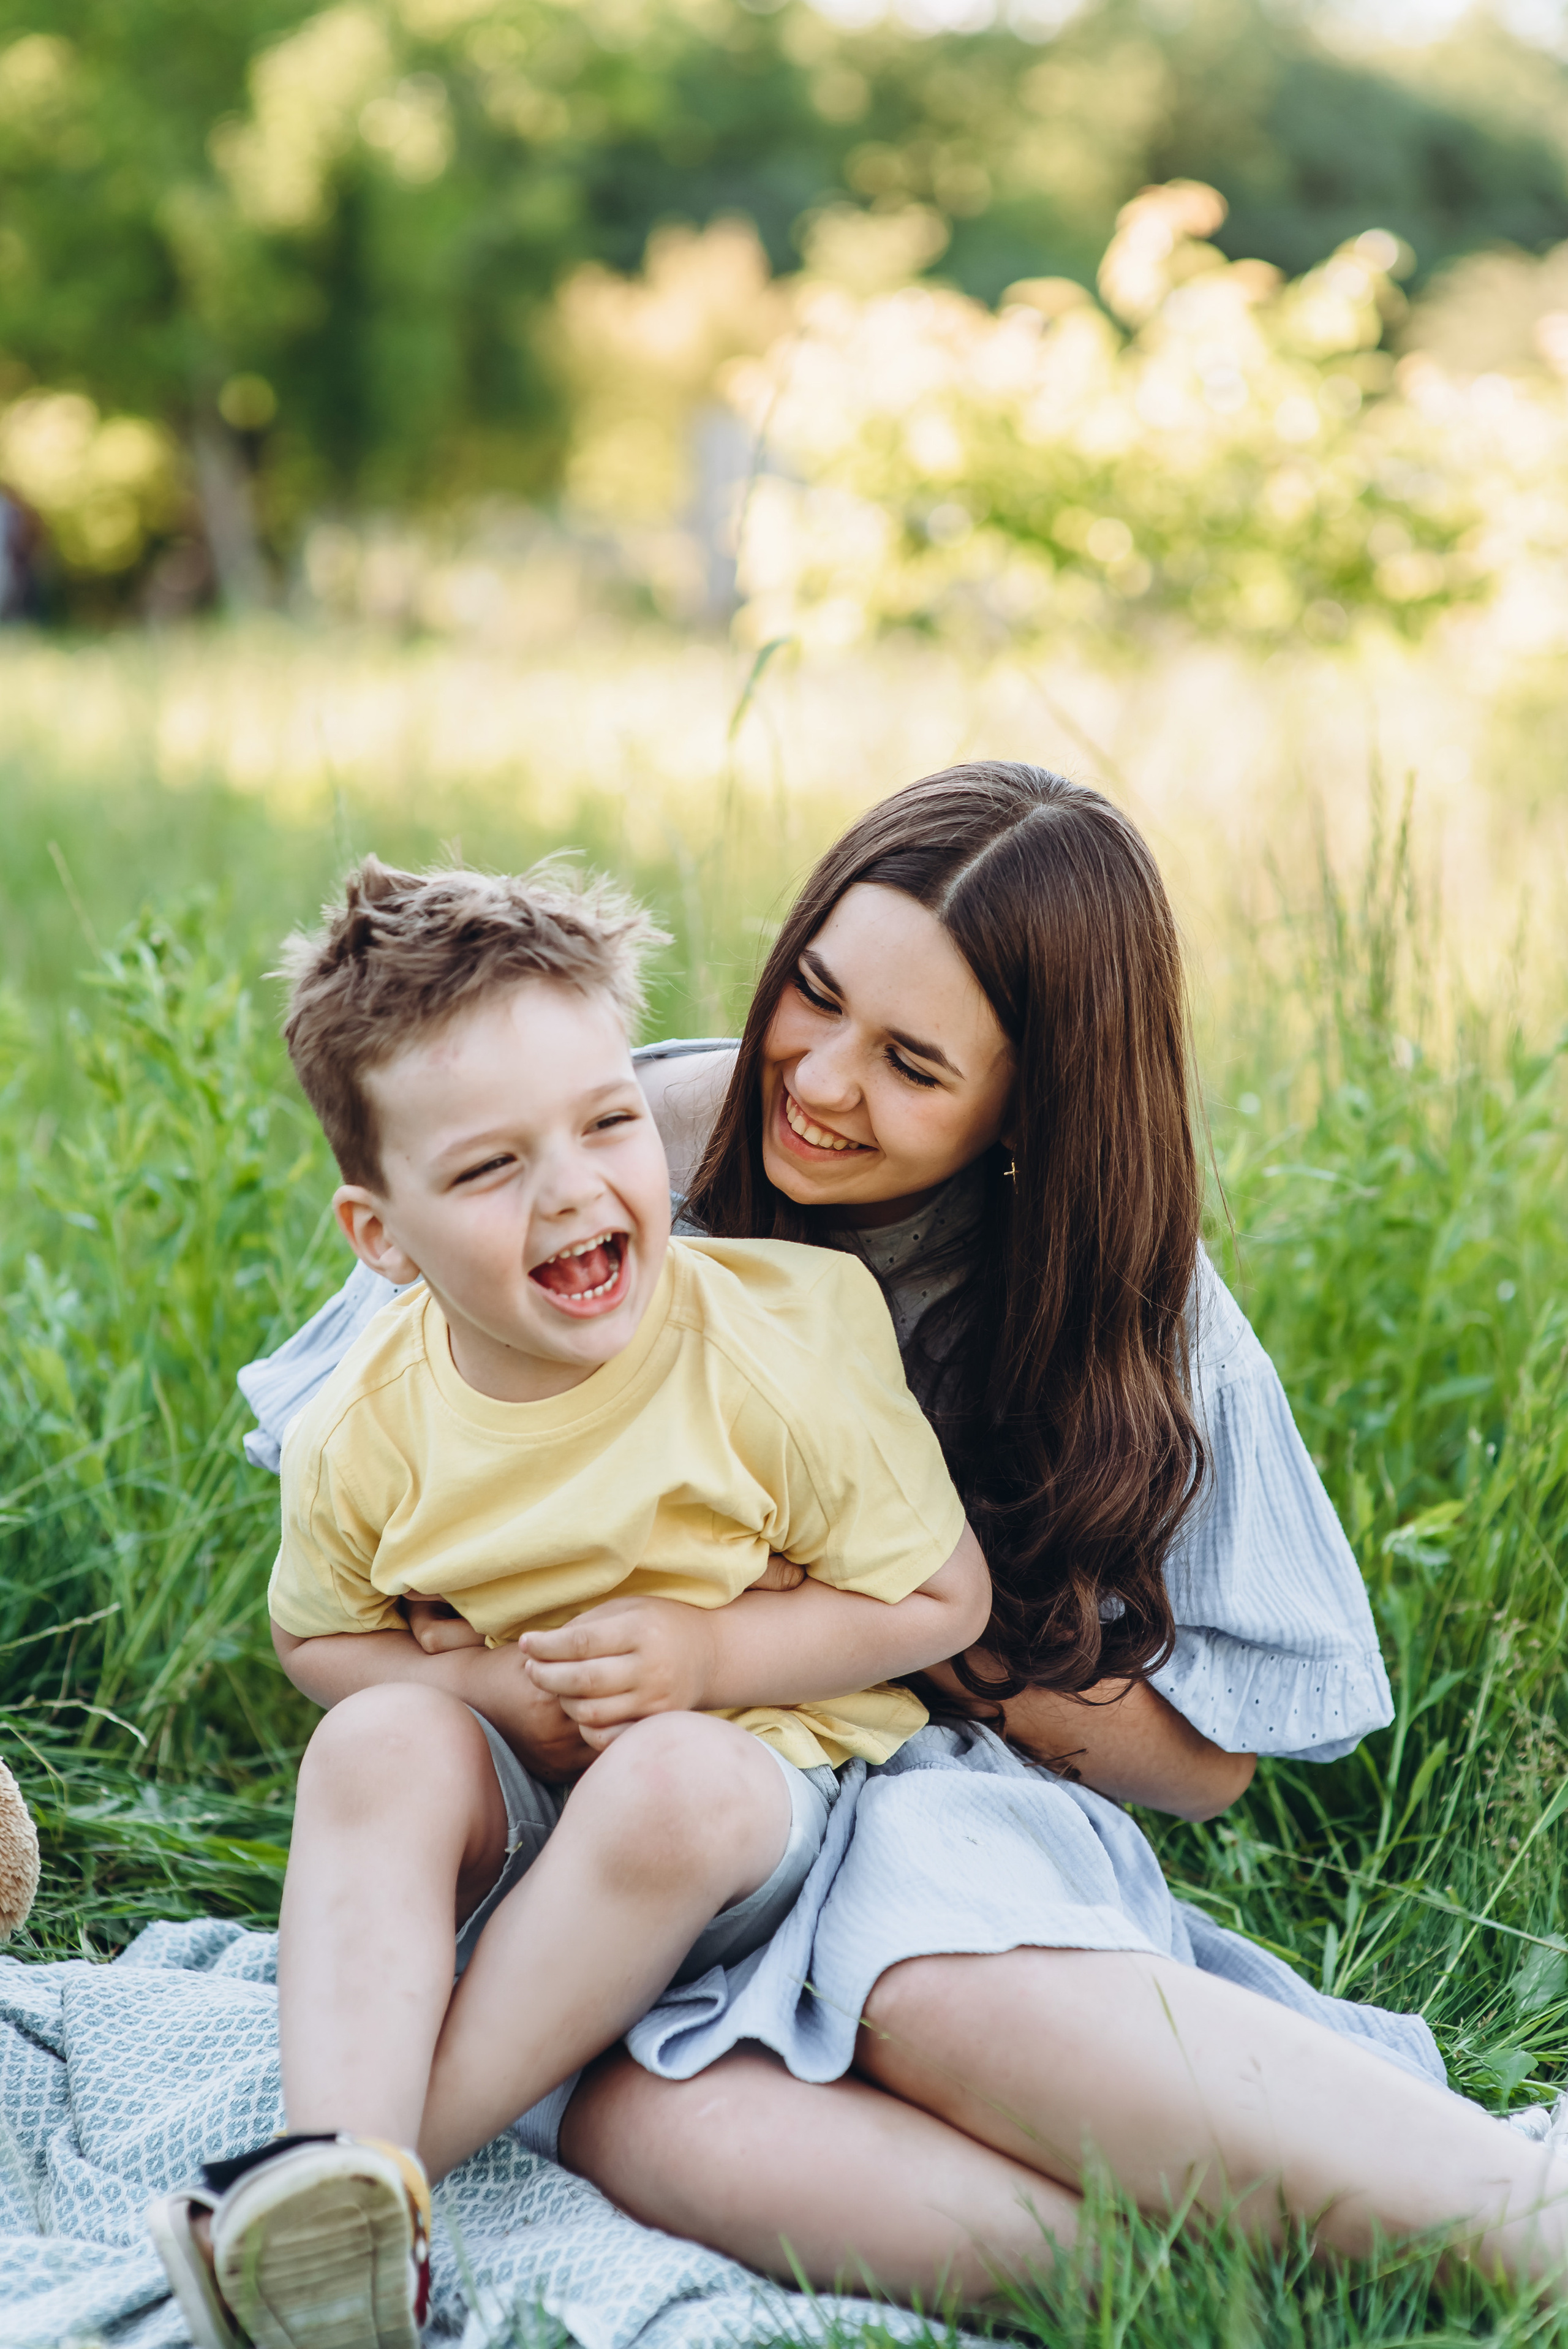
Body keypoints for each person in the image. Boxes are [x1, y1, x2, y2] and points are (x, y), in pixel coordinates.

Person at [240, 768, 1568, 2305]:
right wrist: (499, 1682)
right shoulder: (618, 1130)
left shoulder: (1124, 1297)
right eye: (811, 995)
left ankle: (1495, 2223)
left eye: (913, 1065)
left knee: (916, 1986)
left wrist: (836, 1624)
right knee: (633, 2124)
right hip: (577, 1830)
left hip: (896, 1779)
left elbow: (1210, 1763)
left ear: (1028, 1106)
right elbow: (370, 1496)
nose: (815, 1081)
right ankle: (1220, 2286)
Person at [149, 857, 989, 2349]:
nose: (572, 1189)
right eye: (486, 1169)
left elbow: (939, 1594)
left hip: (762, 1807)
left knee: (664, 1780)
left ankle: (351, 2183)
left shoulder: (769, 1352)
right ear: (381, 1238)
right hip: (533, 1827)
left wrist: (709, 1652)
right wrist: (485, 1699)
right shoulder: (370, 1422)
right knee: (374, 1745)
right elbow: (314, 1639)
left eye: (608, 1122)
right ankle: (335, 2205)